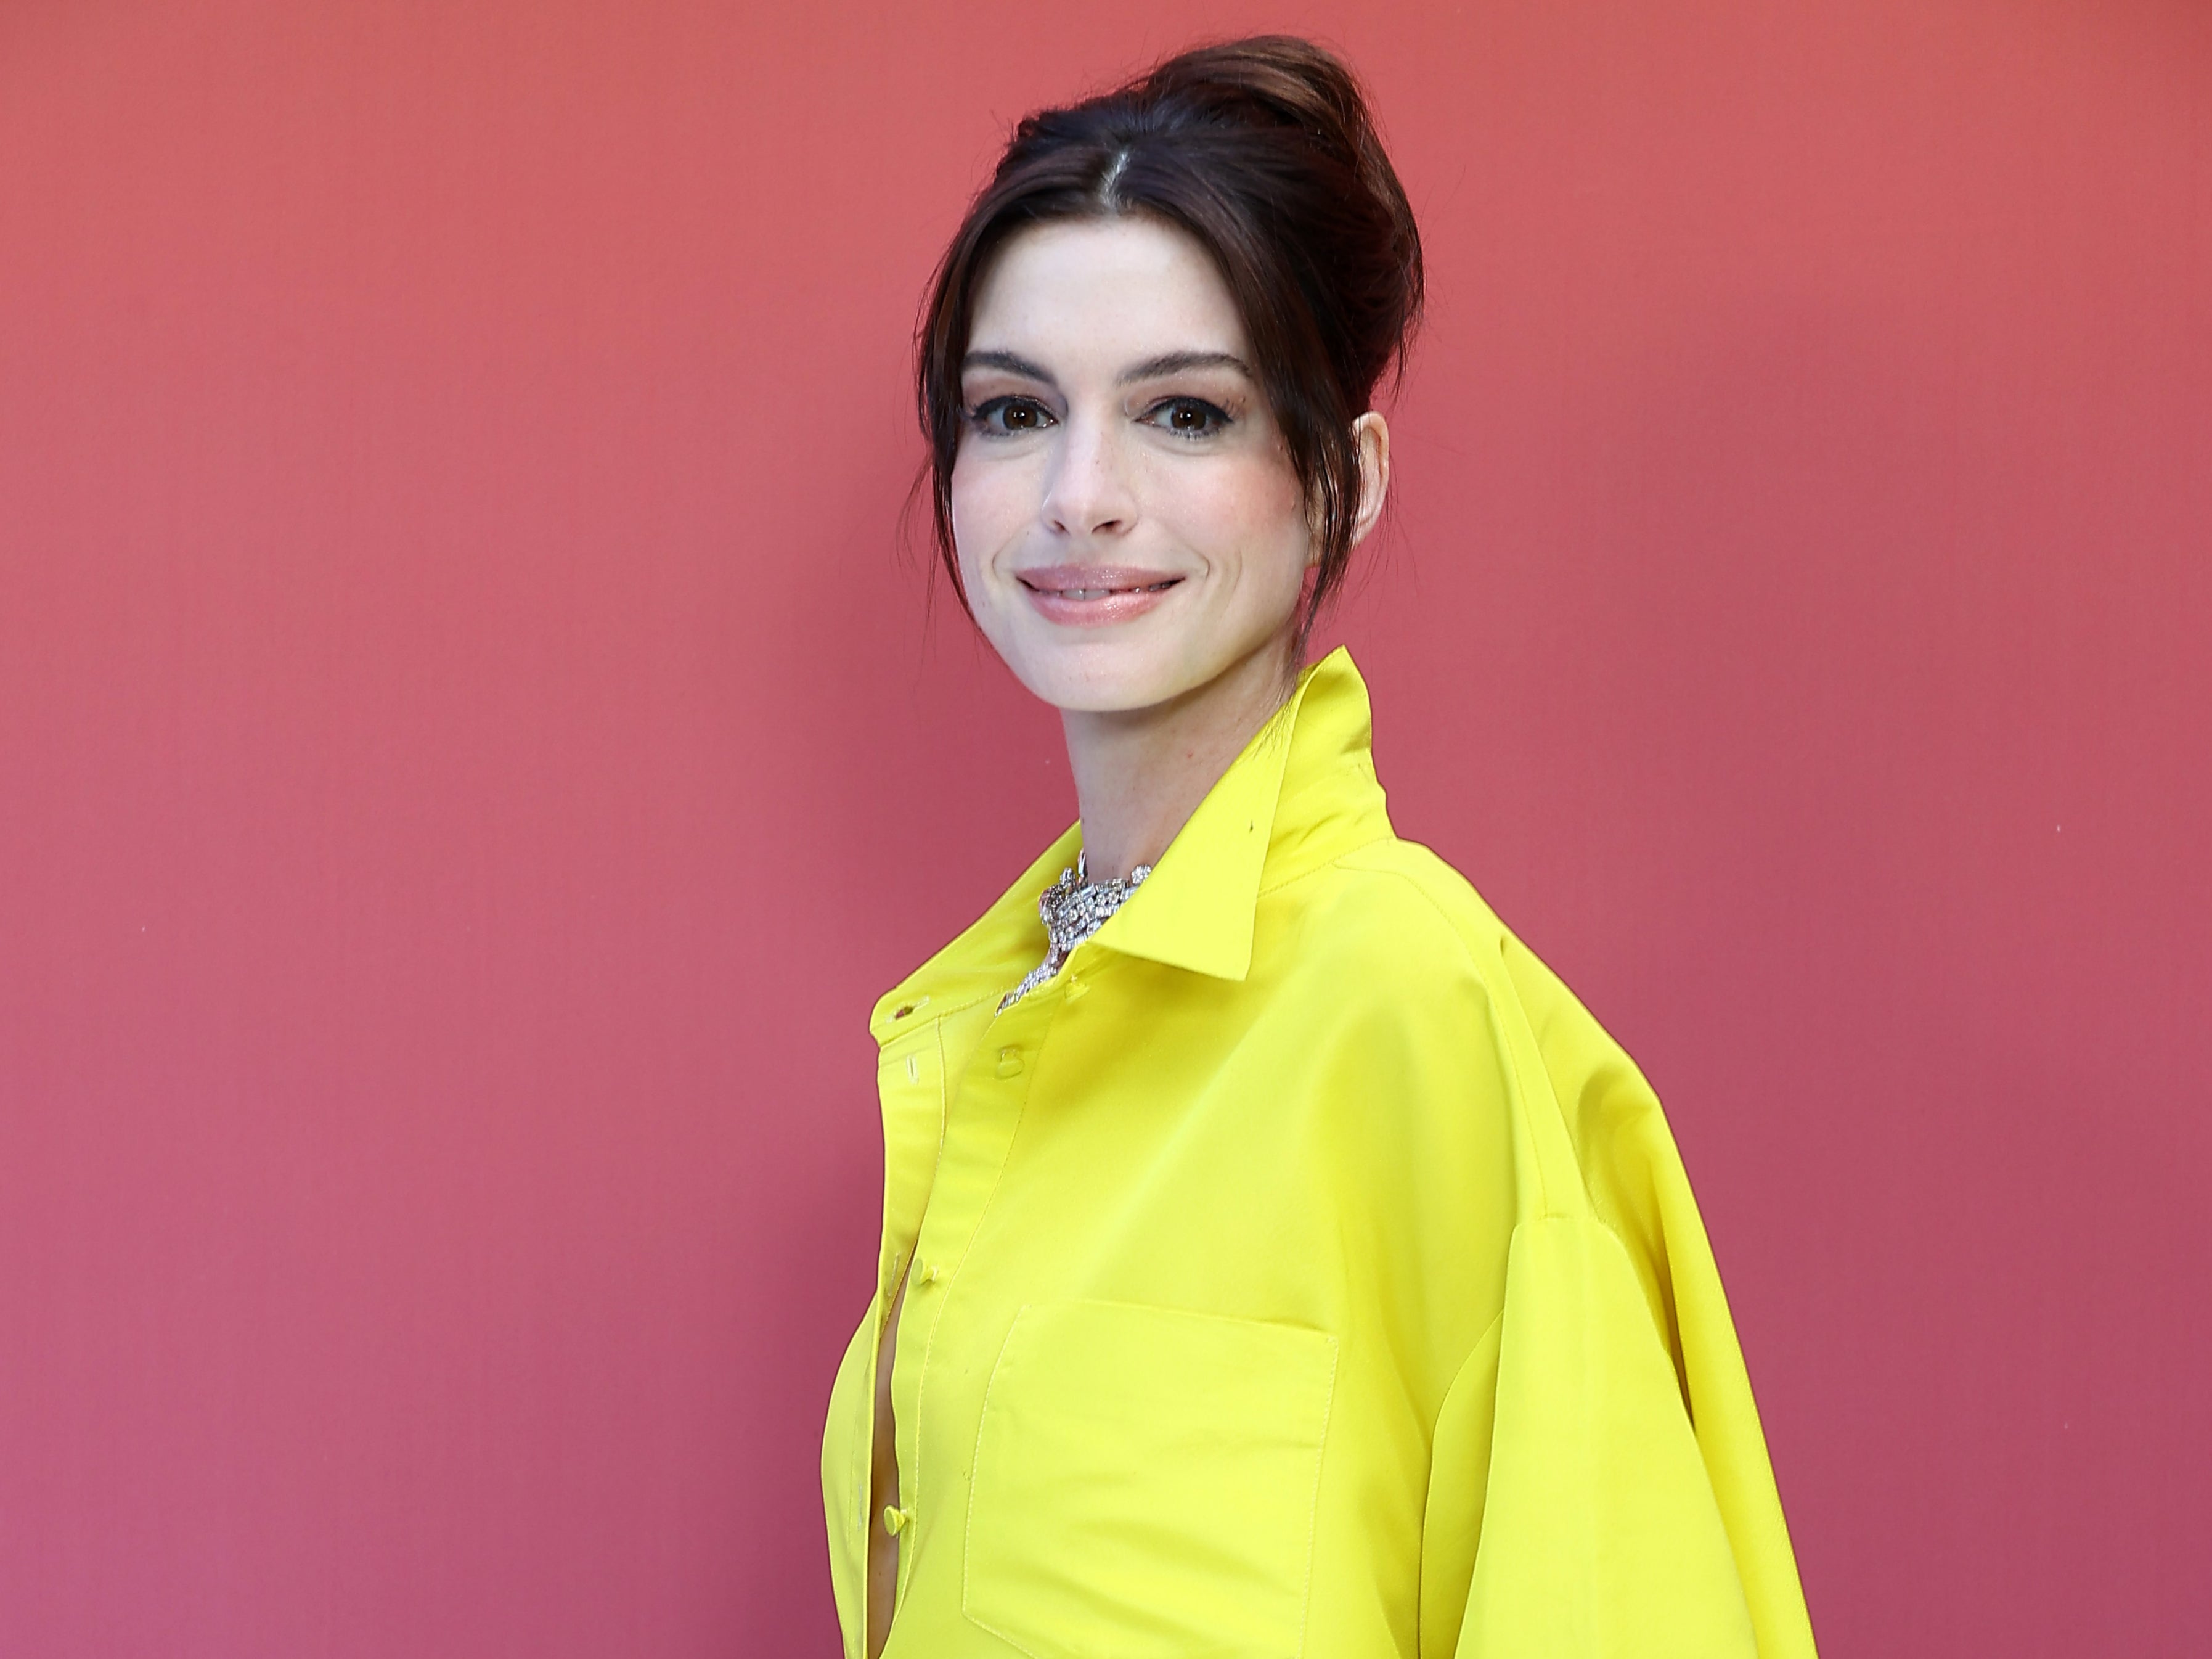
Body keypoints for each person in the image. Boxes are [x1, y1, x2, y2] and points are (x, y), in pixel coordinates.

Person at [818, 35, 1817, 1659]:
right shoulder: (985, 1025)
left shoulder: (1411, 1001)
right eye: (1015, 411)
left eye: (1186, 415)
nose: (1081, 494)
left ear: (1340, 488)